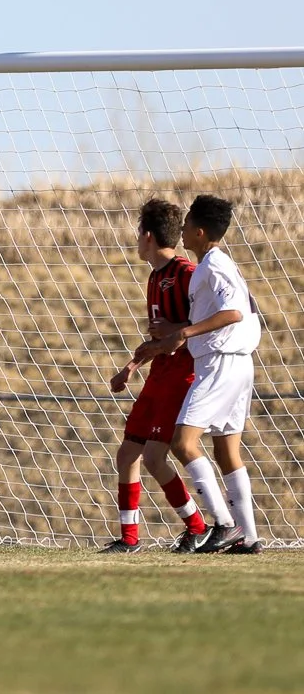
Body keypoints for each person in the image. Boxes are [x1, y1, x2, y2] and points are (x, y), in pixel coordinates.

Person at [144, 195, 263, 554]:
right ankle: (250, 537)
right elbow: (221, 314)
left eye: (186, 224)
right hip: (234, 361)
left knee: (182, 442)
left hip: (221, 362)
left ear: (198, 230)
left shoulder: (213, 265)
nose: (181, 230)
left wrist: (184, 333)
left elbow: (232, 313)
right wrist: (176, 330)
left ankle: (225, 525)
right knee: (226, 450)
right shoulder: (213, 265)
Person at [103, 199, 208, 553]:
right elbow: (160, 339)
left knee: (153, 458)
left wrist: (176, 330)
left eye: (137, 234)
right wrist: (131, 367)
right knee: (127, 454)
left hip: (182, 377)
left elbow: (215, 321)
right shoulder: (155, 277)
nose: (136, 240)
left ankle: (199, 528)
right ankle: (130, 540)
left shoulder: (187, 273)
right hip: (158, 375)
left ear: (147, 236)